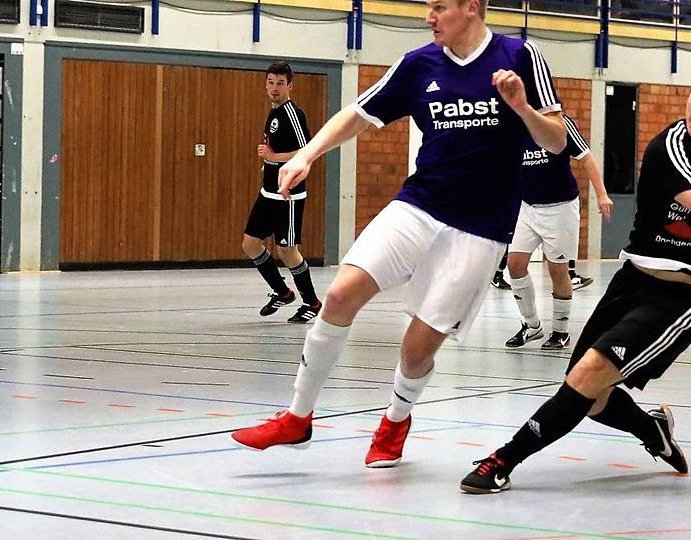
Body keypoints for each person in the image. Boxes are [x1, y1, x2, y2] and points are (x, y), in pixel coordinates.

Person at [231, 0, 568, 468]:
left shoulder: (520, 56)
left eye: (439, 7)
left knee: (416, 350)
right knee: (341, 294)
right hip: (420, 203)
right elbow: (357, 114)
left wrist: (523, 108)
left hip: (481, 225)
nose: (429, 17)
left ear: (471, 8)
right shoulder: (418, 64)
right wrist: (307, 154)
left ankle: (395, 420)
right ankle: (297, 416)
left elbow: (556, 140)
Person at [460, 55, 691, 494]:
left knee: (587, 377)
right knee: (590, 396)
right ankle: (653, 431)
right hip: (631, 282)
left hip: (682, 296)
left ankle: (502, 461)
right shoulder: (667, 147)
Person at [504, 114, 612, 351]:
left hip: (560, 207)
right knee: (515, 264)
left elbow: (587, 157)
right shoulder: (513, 124)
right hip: (527, 206)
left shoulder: (560, 123)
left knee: (557, 270)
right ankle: (531, 325)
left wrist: (602, 194)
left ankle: (561, 331)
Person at [242, 61, 322, 324]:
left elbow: (307, 151)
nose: (274, 88)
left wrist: (273, 157)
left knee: (287, 251)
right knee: (250, 244)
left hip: (288, 196)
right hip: (268, 193)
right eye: (271, 82)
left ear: (290, 86)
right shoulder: (274, 112)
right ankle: (282, 292)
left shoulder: (292, 113)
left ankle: (312, 302)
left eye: (280, 83)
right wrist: (268, 165)